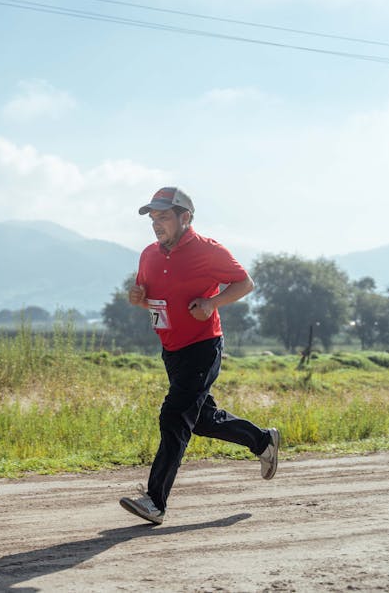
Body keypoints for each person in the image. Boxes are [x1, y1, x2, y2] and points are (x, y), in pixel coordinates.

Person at [118, 186, 279, 526]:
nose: (156, 224)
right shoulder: (149, 254)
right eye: (153, 218)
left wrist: (211, 303)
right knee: (202, 419)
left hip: (203, 346)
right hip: (171, 349)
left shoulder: (208, 251)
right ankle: (262, 441)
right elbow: (149, 297)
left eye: (163, 217)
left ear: (185, 217)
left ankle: (155, 501)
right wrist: (138, 298)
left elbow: (244, 283)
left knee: (174, 415)